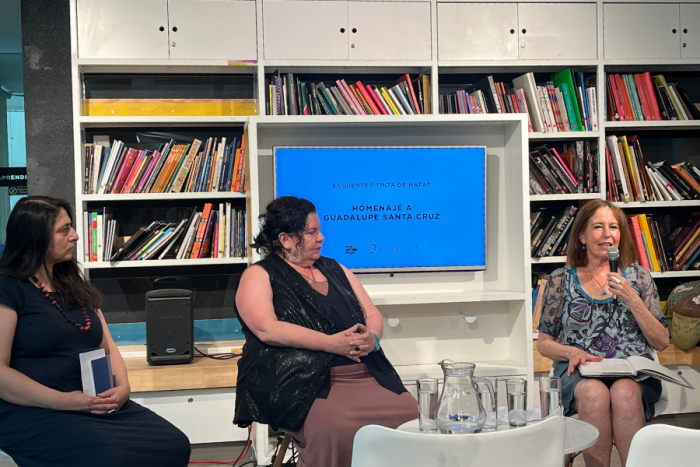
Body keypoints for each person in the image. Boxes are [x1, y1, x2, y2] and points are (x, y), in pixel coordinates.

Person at [0, 197, 191, 467]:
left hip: (91, 403)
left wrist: (123, 388)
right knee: (111, 458)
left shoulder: (71, 281)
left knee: (173, 444)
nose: (75, 236)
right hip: (35, 409)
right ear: (36, 236)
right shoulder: (8, 287)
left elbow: (108, 348)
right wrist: (67, 402)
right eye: (64, 229)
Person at [234, 196, 417, 467]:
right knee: (335, 428)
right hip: (304, 382)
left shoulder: (335, 268)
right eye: (311, 232)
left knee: (414, 415)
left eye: (319, 230)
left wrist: (373, 338)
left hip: (368, 375)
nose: (321, 237)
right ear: (285, 239)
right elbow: (266, 329)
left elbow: (372, 314)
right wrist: (330, 343)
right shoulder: (259, 274)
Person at [537, 200, 669, 467]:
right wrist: (569, 351)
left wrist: (633, 300)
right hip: (580, 373)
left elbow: (662, 341)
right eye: (598, 227)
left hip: (634, 374)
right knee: (595, 394)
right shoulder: (560, 279)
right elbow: (544, 342)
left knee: (625, 392)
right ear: (582, 236)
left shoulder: (639, 277)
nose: (608, 234)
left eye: (613, 227)